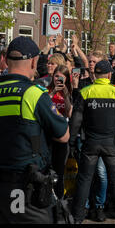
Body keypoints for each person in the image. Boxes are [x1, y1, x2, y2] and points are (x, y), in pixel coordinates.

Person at [0, 36, 69, 223]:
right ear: (34, 61)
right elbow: (63, 135)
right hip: (27, 191)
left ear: (6, 61)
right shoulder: (33, 94)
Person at [69, 60, 115, 224]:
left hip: (90, 143)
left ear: (95, 75)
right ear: (110, 75)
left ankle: (77, 218)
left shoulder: (85, 92)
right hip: (111, 144)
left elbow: (76, 120)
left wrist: (71, 142)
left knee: (84, 180)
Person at [47, 65, 73, 200]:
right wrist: (52, 94)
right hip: (48, 135)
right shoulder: (47, 90)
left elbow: (69, 113)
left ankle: (58, 199)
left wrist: (66, 95)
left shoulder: (68, 92)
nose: (58, 79)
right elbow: (43, 108)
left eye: (61, 77)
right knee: (47, 168)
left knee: (60, 169)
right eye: (56, 76)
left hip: (62, 135)